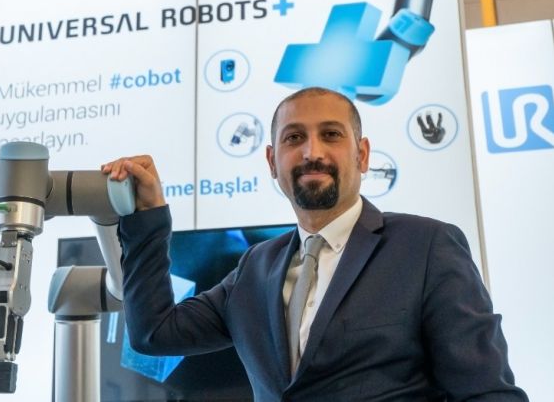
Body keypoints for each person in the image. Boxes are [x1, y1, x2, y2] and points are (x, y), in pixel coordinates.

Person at [102, 87, 527, 401]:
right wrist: (147, 218)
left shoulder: (426, 247)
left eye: (331, 135)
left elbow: (486, 392)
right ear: (272, 162)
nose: (311, 152)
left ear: (362, 155)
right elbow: (153, 333)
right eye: (293, 138)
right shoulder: (255, 268)